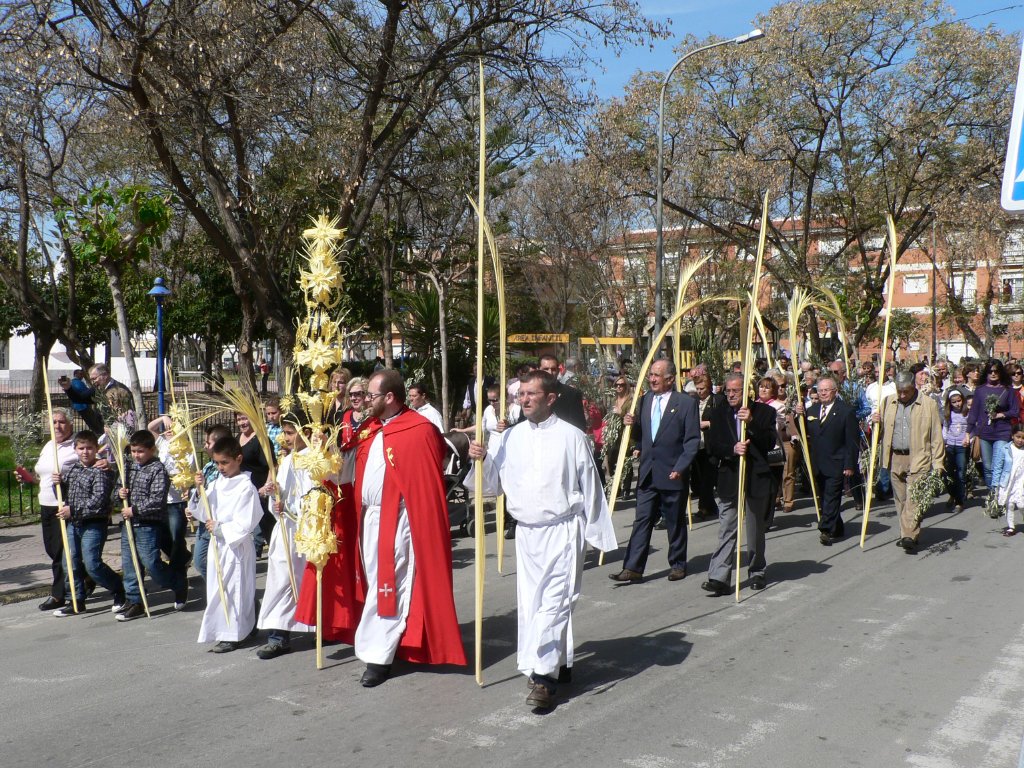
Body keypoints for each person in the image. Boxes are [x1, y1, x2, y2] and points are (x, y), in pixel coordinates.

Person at [467, 370, 616, 710]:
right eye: (521, 395)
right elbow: (491, 486)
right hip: (527, 534)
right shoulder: (510, 438)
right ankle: (559, 663)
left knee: (555, 603)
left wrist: (598, 533)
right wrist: (482, 458)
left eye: (532, 394)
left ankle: (543, 678)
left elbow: (591, 487)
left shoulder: (572, 437)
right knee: (535, 605)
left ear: (551, 398)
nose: (524, 399)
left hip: (562, 531)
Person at [345, 369, 466, 686]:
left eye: (371, 395)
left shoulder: (419, 429)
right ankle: (393, 641)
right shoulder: (371, 429)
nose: (365, 401)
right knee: (377, 583)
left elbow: (431, 476)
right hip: (370, 519)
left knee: (390, 586)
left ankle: (377, 657)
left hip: (398, 521)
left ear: (389, 397)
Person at [608, 359, 700, 584]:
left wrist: (680, 467)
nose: (652, 379)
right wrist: (632, 425)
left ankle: (678, 564)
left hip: (672, 472)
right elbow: (644, 435)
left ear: (670, 379)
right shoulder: (645, 400)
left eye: (657, 375)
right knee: (642, 520)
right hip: (648, 472)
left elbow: (692, 441)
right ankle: (633, 567)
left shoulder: (685, 403)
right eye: (651, 374)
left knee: (674, 521)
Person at [700, 373, 779, 595]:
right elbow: (713, 446)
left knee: (754, 529)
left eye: (736, 391)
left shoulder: (764, 412)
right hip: (729, 476)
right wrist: (732, 449)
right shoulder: (718, 413)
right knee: (727, 527)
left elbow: (769, 442)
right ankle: (719, 577)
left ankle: (757, 571)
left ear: (747, 392)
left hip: (755, 477)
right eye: (728, 390)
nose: (731, 395)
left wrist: (751, 423)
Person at [189, 436, 263, 652]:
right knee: (216, 587)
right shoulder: (216, 484)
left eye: (225, 462)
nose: (220, 468)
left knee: (234, 588)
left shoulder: (246, 486)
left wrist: (222, 528)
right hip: (218, 546)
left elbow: (247, 520)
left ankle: (234, 634)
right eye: (217, 463)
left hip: (235, 546)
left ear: (238, 459)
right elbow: (204, 511)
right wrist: (198, 489)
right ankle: (233, 628)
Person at [255, 416, 313, 658]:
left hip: (307, 531)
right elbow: (279, 495)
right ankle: (278, 636)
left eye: (290, 432)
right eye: (285, 432)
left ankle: (321, 627)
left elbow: (315, 496)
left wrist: (295, 510)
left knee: (308, 581)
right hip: (285, 529)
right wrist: (274, 501)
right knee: (280, 580)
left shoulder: (314, 460)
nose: (285, 438)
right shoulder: (286, 460)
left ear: (306, 432)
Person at [116, 429, 188, 621]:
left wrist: (135, 509)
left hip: (148, 524)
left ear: (152, 450)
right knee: (130, 564)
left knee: (152, 564)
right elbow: (117, 488)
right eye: (133, 451)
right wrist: (120, 494)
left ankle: (178, 582)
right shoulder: (128, 468)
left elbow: (157, 499)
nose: (136, 455)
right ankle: (135, 600)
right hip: (128, 523)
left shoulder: (157, 469)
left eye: (140, 451)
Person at [50, 430, 123, 616]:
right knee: (70, 563)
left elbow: (98, 500)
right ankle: (76, 600)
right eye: (81, 448)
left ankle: (119, 588)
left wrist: (72, 510)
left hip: (93, 523)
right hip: (74, 523)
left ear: (96, 449)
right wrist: (57, 483)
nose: (85, 452)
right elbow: (65, 493)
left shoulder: (101, 471)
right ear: (75, 449)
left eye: (89, 448)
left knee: (92, 563)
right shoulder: (74, 469)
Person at [871, 372, 945, 553]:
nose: (902, 395)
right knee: (901, 500)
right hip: (895, 457)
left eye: (906, 391)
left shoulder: (929, 404)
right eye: (899, 391)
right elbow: (879, 434)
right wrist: (875, 423)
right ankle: (908, 532)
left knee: (914, 499)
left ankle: (908, 536)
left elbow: (936, 436)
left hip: (919, 457)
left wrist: (938, 463)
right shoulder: (888, 402)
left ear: (914, 387)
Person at [26, 408, 79, 611]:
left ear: (70, 424)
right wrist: (28, 478)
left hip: (63, 505)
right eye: (54, 422)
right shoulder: (49, 445)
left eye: (62, 422)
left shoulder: (76, 446)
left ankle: (59, 595)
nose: (57, 426)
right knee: (51, 548)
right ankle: (86, 577)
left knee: (59, 552)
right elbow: (42, 475)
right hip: (45, 502)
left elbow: (86, 468)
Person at [796, 375, 859, 545]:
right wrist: (798, 415)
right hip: (818, 462)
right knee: (825, 498)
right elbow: (803, 430)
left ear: (835, 392)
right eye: (820, 390)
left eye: (826, 390)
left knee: (832, 496)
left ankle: (825, 528)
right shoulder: (812, 410)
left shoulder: (846, 411)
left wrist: (849, 464)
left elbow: (852, 441)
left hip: (837, 462)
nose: (823, 393)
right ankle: (837, 526)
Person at [188, 424, 233, 591]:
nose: (205, 446)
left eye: (208, 442)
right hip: (205, 522)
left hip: (219, 522)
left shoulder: (229, 469)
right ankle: (218, 589)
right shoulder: (207, 467)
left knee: (219, 561)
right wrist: (198, 491)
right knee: (200, 562)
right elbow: (203, 494)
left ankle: (226, 590)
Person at [966, 359, 1019, 496]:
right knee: (987, 467)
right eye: (990, 371)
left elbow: (1015, 411)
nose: (993, 374)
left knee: (997, 465)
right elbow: (974, 413)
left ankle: (998, 494)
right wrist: (968, 432)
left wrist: (1001, 414)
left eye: (996, 371)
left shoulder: (1008, 390)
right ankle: (992, 492)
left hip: (1002, 431)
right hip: (985, 432)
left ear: (1001, 372)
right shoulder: (980, 390)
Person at [690, 373, 724, 518]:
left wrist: (709, 424)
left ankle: (704, 507)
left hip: (711, 445)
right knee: (700, 478)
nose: (699, 391)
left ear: (709, 387)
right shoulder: (693, 401)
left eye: (702, 388)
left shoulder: (718, 400)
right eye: (697, 388)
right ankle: (711, 507)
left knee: (708, 478)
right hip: (697, 445)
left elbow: (725, 419)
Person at [538, 354, 587, 431]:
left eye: (553, 369)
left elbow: (579, 427)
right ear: (539, 370)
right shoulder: (530, 394)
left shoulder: (572, 394)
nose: (550, 372)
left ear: (558, 371)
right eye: (546, 369)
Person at [942, 387, 971, 513]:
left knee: (961, 472)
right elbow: (945, 428)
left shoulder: (967, 413)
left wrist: (969, 439)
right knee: (948, 473)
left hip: (962, 446)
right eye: (953, 402)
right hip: (950, 445)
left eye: (958, 401)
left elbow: (972, 428)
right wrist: (945, 442)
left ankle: (959, 501)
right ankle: (952, 494)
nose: (957, 404)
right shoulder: (949, 414)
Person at [995, 425, 1024, 536]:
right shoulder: (1006, 449)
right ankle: (1011, 527)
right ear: (1012, 436)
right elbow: (998, 466)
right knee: (1010, 504)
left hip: (1021, 481)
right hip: (1008, 481)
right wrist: (995, 483)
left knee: (1021, 505)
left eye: (1023, 438)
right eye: (1018, 437)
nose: (1021, 440)